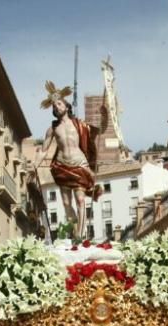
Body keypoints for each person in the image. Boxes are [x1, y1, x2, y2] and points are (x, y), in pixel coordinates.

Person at [35, 83, 107, 238]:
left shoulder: (80, 125)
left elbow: (101, 129)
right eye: (54, 106)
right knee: (67, 204)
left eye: (59, 104)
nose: (56, 107)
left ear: (66, 106)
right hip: (61, 166)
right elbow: (43, 150)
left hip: (79, 164)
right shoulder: (52, 129)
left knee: (80, 200)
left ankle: (80, 236)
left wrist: (105, 115)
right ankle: (75, 234)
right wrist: (34, 166)